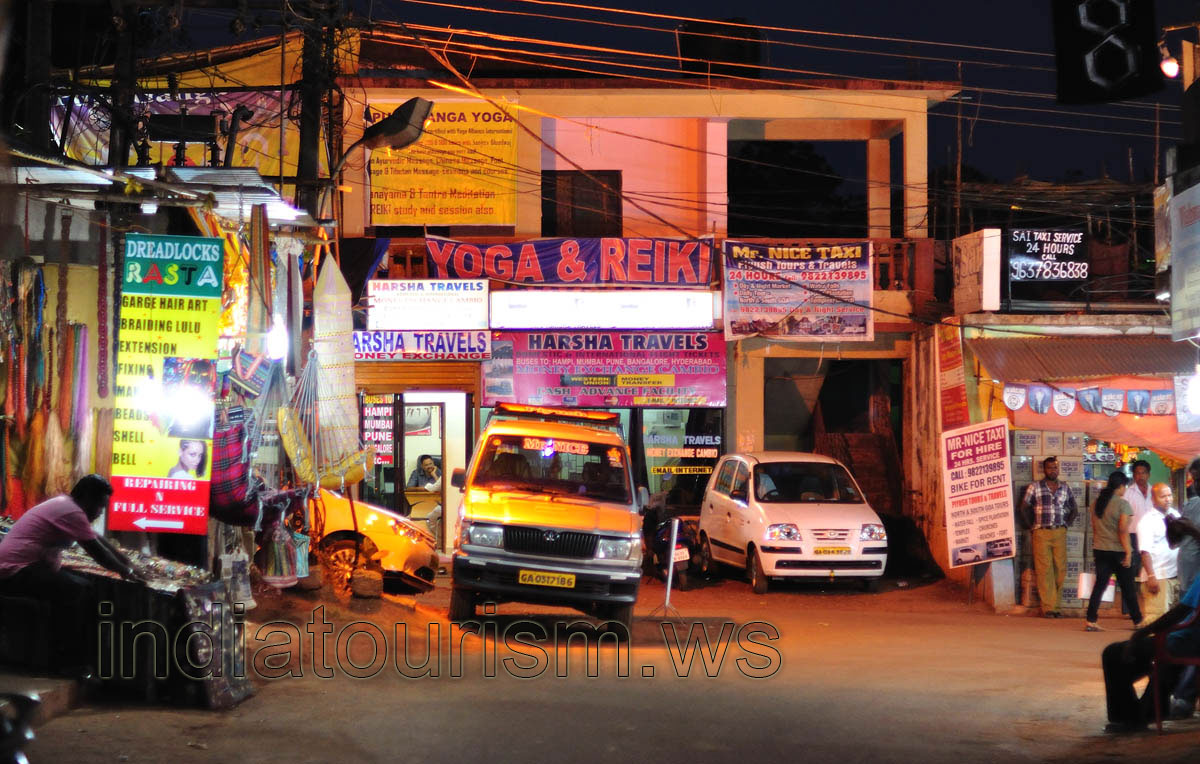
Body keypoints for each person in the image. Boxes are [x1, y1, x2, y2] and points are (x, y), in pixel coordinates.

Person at [0, 475, 144, 673]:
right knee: (77, 591)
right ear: (86, 498)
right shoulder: (70, 511)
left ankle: (70, 659)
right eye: (99, 506)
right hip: (14, 570)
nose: (100, 513)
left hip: (25, 569)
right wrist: (125, 571)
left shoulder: (68, 506)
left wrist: (128, 563)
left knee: (79, 586)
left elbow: (97, 539)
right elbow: (96, 551)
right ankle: (66, 662)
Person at [1099, 516, 1200, 732]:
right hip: (1186, 638)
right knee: (1128, 657)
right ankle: (1143, 712)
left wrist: (1141, 633)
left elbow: (1180, 612)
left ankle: (1132, 718)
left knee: (1114, 654)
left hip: (1185, 641)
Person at [1018, 456, 1079, 618]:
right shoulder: (1035, 487)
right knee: (1044, 570)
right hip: (1041, 532)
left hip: (1059, 531)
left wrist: (1066, 524)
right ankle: (1049, 608)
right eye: (1050, 468)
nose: (1054, 470)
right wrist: (1031, 526)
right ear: (1044, 469)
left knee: (1060, 569)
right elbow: (1023, 507)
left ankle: (1056, 605)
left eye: (1056, 468)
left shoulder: (1065, 487)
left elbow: (1074, 509)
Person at [1086, 471, 1143, 631]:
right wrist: (1129, 552)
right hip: (1118, 551)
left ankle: (1091, 620)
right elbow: (1123, 530)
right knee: (1128, 587)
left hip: (1100, 549)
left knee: (1100, 586)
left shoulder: (1096, 503)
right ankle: (1138, 621)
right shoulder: (1122, 504)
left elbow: (1095, 527)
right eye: (1125, 486)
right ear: (1120, 486)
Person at [1137, 482, 1181, 626]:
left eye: (1169, 495)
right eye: (1163, 496)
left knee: (1174, 621)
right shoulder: (1147, 521)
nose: (1168, 499)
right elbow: (1145, 552)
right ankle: (1150, 648)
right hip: (1158, 578)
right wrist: (1151, 576)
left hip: (1174, 576)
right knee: (1156, 620)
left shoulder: (1175, 515)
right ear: (1153, 499)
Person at [1125, 459, 1154, 566]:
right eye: (1137, 473)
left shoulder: (1154, 492)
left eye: (1143, 473)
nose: (1141, 476)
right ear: (1133, 475)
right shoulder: (1127, 494)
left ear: (1148, 475)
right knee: (1135, 566)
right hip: (1133, 536)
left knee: (1151, 565)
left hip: (1152, 534)